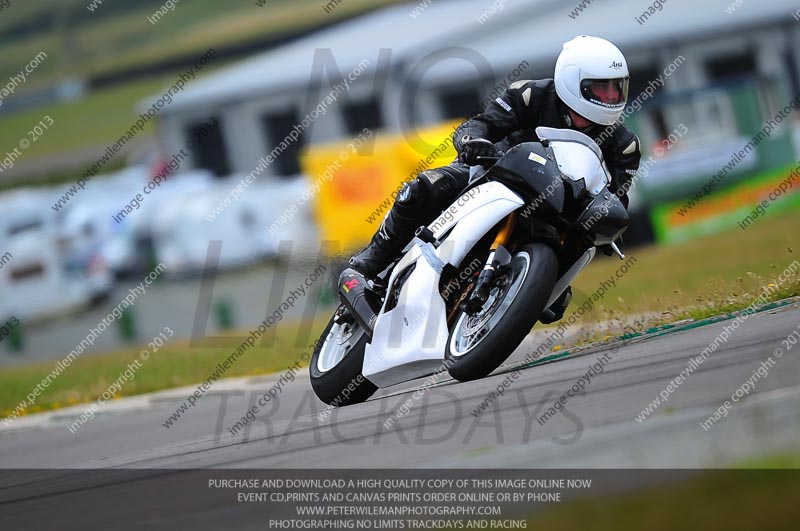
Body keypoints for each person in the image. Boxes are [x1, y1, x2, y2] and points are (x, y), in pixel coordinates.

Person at [343, 35, 641, 323]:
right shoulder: (531, 95)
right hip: (495, 176)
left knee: (557, 298)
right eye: (600, 90)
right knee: (426, 188)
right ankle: (366, 266)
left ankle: (524, 288)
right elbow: (480, 125)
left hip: (561, 216)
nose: (610, 98)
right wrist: (474, 142)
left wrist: (609, 220)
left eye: (616, 90)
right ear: (571, 81)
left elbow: (617, 199)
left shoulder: (624, 146)